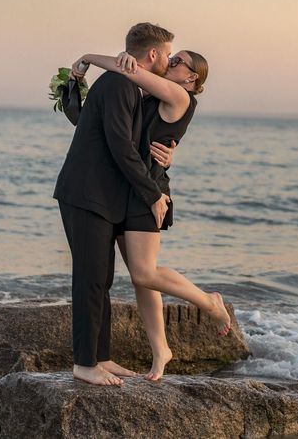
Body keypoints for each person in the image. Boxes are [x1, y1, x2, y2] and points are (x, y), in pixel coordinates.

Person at [69, 48, 231, 381]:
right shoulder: (150, 95)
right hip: (130, 190)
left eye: (177, 61)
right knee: (141, 276)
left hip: (150, 192)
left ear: (191, 77)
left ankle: (209, 302)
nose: (169, 63)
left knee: (144, 273)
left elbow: (128, 71)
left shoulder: (181, 96)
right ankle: (161, 350)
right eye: (170, 59)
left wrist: (88, 56)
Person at [54, 22, 173, 386]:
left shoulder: (126, 85)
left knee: (101, 280)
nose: (168, 60)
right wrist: (152, 193)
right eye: (168, 54)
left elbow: (92, 124)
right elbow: (121, 146)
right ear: (152, 54)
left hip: (101, 198)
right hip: (87, 194)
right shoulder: (120, 84)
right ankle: (84, 364)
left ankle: (100, 357)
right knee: (90, 279)